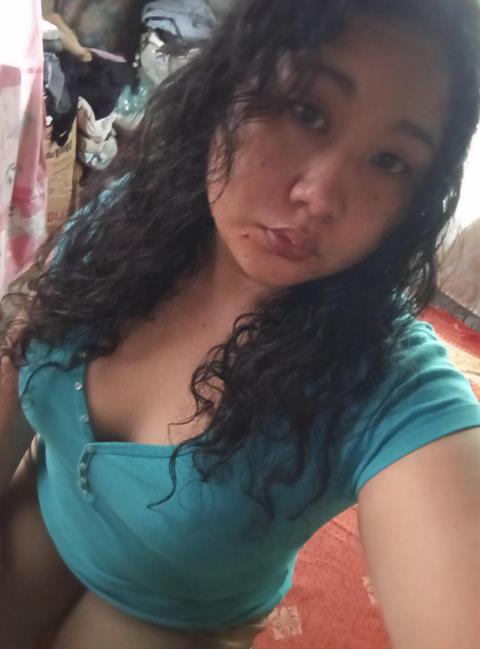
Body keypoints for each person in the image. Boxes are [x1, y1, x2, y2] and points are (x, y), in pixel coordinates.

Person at [1, 0, 480, 647]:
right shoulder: (134, 215)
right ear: (229, 84)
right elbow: (25, 351)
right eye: (306, 111)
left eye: (391, 160)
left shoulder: (385, 384)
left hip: (174, 608)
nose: (321, 195)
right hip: (46, 501)